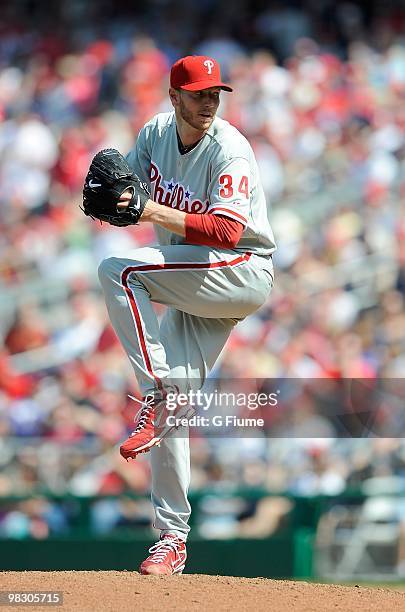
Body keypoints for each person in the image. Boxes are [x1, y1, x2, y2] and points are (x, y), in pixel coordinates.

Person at [96, 55, 276, 575]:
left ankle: (159, 394)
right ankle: (172, 540)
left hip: (241, 268)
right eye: (199, 94)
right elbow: (125, 190)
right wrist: (112, 200)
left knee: (120, 271)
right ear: (174, 96)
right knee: (174, 413)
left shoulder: (229, 148)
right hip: (193, 281)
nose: (209, 103)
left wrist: (145, 210)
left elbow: (224, 231)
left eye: (215, 93)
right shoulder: (155, 133)